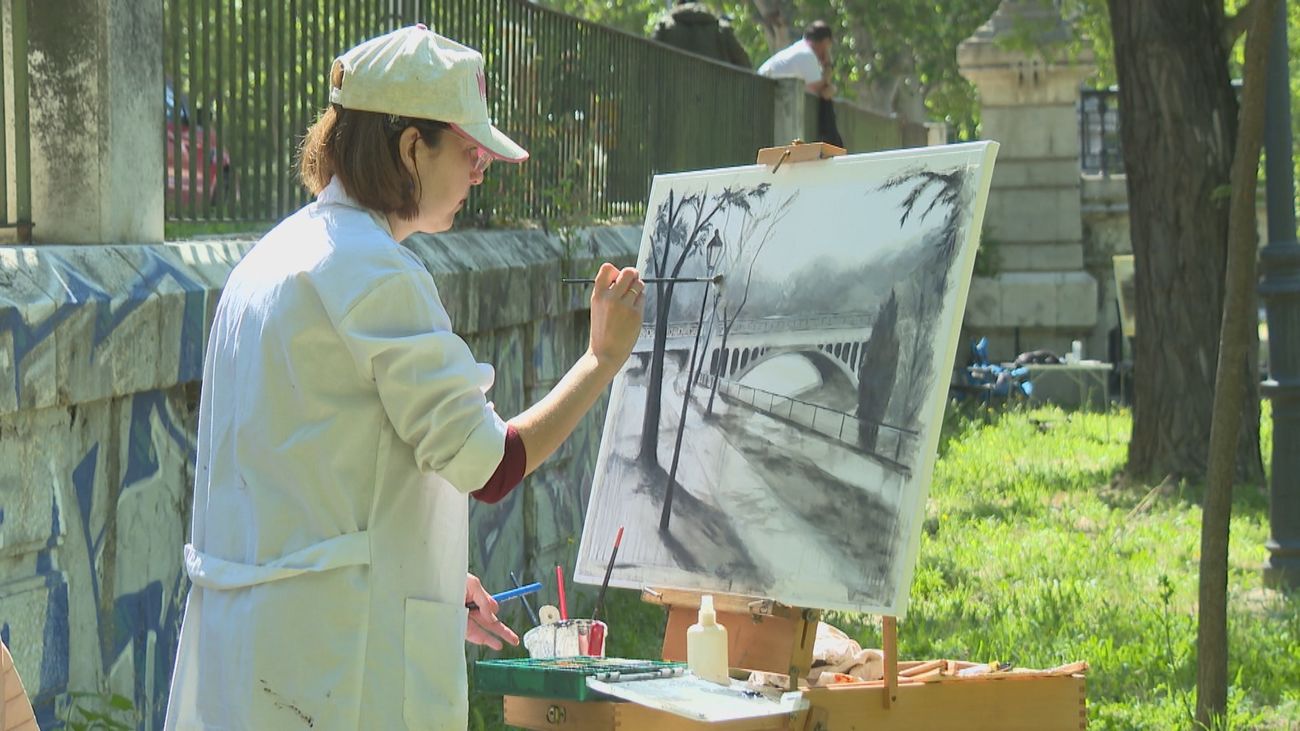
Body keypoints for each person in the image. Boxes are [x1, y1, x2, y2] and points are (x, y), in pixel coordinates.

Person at [163, 25, 645, 731]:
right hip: (335, 672)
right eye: (471, 151)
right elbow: (492, 464)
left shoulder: (268, 260)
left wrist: (429, 580)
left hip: (260, 658)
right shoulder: (371, 269)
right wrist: (602, 357)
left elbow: (310, 486)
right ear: (411, 147)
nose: (481, 171)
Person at [758, 20, 844, 148]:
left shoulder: (800, 49)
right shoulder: (807, 55)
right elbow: (820, 90)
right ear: (825, 42)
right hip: (766, 99)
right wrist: (828, 66)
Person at [652, 0, 751, 68]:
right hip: (718, 97)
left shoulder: (664, 28)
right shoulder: (721, 30)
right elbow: (746, 68)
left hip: (672, 97)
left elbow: (648, 63)